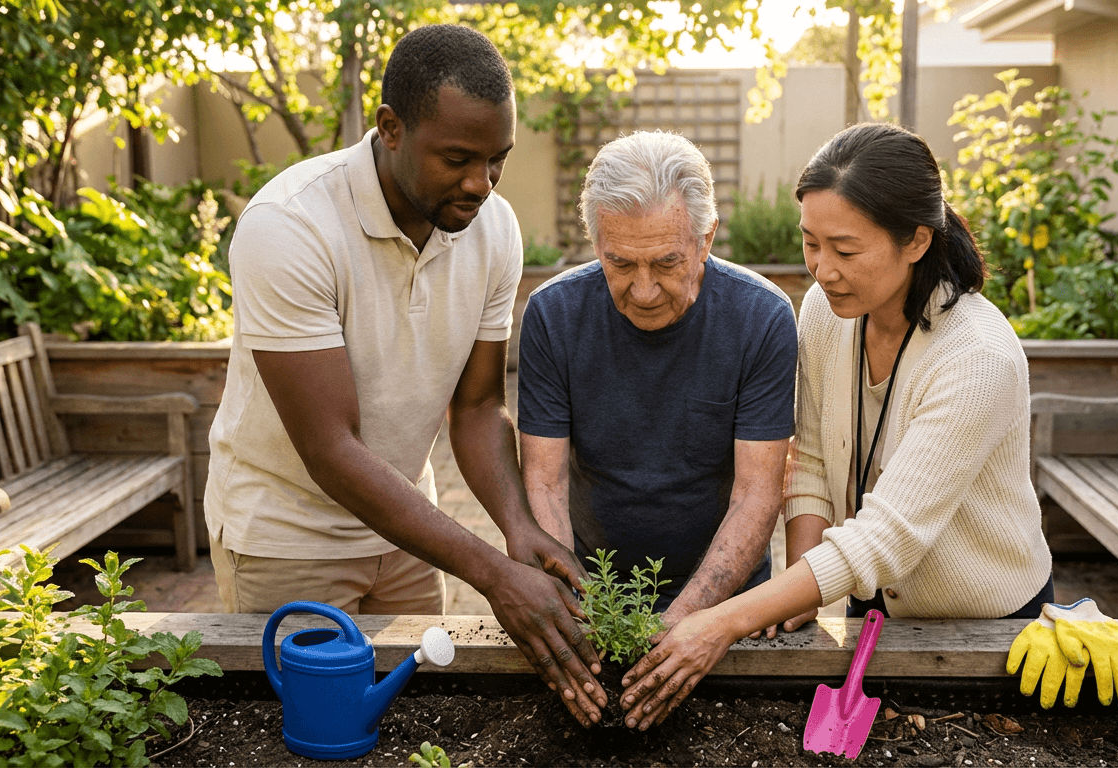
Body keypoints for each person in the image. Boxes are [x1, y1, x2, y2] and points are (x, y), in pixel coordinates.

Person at [204, 24, 607, 727]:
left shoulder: (494, 228)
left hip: (406, 533)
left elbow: (477, 407)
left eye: (498, 160)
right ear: (390, 127)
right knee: (314, 732)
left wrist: (517, 528)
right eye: (457, 158)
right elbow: (331, 448)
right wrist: (489, 573)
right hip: (287, 538)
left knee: (413, 725)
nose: (481, 184)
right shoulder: (289, 225)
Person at [616, 123, 1056, 729]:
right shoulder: (829, 310)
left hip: (992, 637)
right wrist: (805, 593)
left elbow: (883, 538)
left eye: (845, 250)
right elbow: (814, 460)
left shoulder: (977, 359)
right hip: (875, 620)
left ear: (917, 241)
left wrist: (721, 620)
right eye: (810, 244)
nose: (822, 270)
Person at [518, 131, 797, 634]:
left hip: (728, 601)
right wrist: (576, 602)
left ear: (706, 238)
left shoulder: (763, 318)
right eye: (620, 263)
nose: (643, 291)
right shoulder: (553, 315)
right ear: (597, 242)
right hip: (595, 589)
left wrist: (687, 619)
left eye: (667, 262)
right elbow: (545, 482)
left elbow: (757, 493)